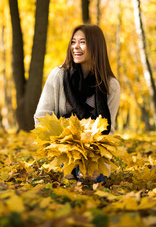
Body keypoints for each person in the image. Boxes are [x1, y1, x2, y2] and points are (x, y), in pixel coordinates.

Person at [34, 24, 120, 182]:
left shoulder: (110, 85)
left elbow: (108, 130)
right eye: (73, 42)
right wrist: (65, 142)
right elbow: (41, 118)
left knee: (94, 179)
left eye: (82, 42)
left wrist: (95, 160)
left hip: (93, 153)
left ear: (96, 46)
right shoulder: (58, 76)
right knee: (69, 178)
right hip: (61, 150)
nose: (76, 47)